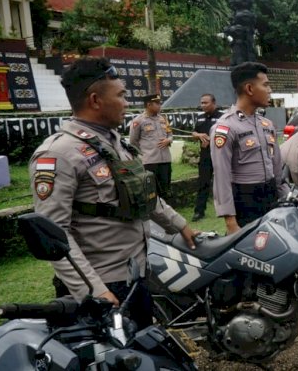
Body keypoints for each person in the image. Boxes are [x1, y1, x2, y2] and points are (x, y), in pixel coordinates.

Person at [29, 57, 199, 330]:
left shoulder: (114, 143)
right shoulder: (58, 154)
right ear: (95, 100)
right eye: (120, 95)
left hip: (136, 275)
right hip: (101, 287)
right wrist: (92, 291)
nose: (127, 103)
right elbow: (55, 236)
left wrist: (179, 225)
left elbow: (142, 195)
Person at [211, 62, 288, 235]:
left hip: (272, 200)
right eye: (265, 84)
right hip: (246, 204)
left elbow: (277, 169)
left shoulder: (266, 124)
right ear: (249, 89)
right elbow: (221, 176)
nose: (270, 90)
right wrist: (230, 221)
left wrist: (287, 198)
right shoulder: (226, 127)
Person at [129, 94, 173, 198]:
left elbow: (170, 134)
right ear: (149, 105)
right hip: (150, 162)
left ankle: (165, 212)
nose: (160, 106)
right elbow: (133, 141)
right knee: (151, 192)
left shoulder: (163, 119)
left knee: (165, 190)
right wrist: (144, 154)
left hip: (165, 160)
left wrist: (168, 140)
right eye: (157, 103)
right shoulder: (138, 121)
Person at [190, 93, 223, 221]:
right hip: (205, 156)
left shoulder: (222, 117)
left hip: (220, 155)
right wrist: (198, 135)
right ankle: (199, 211)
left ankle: (226, 209)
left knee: (223, 183)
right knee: (203, 183)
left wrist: (212, 139)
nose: (202, 105)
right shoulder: (200, 118)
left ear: (213, 103)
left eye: (205, 103)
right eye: (201, 103)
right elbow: (194, 132)